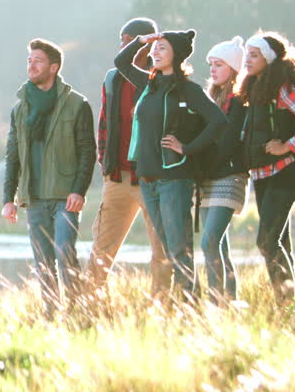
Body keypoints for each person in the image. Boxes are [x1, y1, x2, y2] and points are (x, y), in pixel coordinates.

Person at [114, 29, 226, 300]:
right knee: (169, 248)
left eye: (162, 48)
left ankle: (191, 303)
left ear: (177, 55)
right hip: (149, 179)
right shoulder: (149, 85)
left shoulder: (189, 89)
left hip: (175, 179)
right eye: (156, 48)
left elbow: (219, 121)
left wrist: (187, 148)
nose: (156, 52)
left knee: (178, 248)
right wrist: (143, 41)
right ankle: (189, 300)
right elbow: (121, 63)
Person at [2, 38, 96, 313]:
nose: (31, 64)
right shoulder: (20, 109)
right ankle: (51, 315)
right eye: (29, 60)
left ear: (53, 68)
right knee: (42, 262)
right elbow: (13, 157)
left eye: (38, 60)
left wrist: (79, 190)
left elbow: (87, 152)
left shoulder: (77, 104)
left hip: (65, 196)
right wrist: (9, 198)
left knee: (65, 254)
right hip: (34, 198)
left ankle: (78, 313)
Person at [237, 32, 295, 302]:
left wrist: (286, 146)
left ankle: (286, 302)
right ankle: (290, 302)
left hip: (285, 173)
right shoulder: (256, 88)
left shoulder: (283, 90)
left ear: (269, 58)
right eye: (247, 55)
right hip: (262, 175)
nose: (248, 60)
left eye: (254, 55)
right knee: (278, 242)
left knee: (266, 241)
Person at [88, 18, 171, 296]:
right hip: (117, 179)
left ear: (146, 44)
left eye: (129, 40)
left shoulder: (161, 78)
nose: (123, 45)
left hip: (152, 179)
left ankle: (162, 305)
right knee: (100, 251)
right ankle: (91, 307)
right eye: (122, 40)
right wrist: (105, 163)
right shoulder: (112, 79)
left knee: (161, 251)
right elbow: (104, 124)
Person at [197, 36, 250, 303]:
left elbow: (229, 142)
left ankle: (215, 300)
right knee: (219, 245)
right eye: (211, 65)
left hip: (229, 175)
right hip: (208, 177)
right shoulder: (211, 98)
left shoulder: (239, 100)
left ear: (233, 68)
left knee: (209, 242)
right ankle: (229, 302)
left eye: (219, 65)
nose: (213, 70)